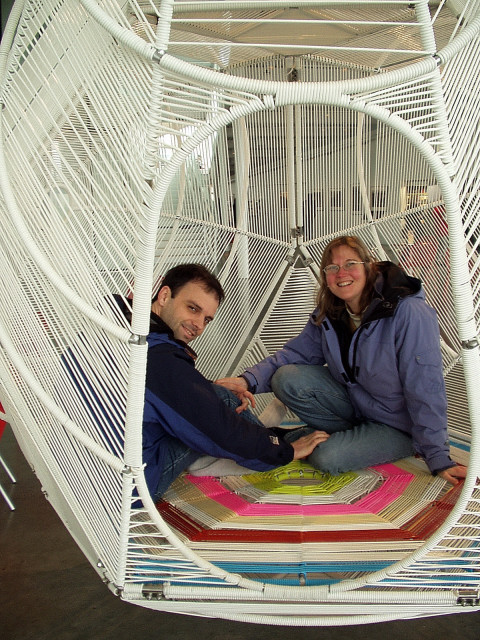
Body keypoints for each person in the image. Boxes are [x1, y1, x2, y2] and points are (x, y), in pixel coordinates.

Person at [216, 236, 466, 485]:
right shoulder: (330, 314)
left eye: (350, 264)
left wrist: (438, 457)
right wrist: (246, 381)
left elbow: (425, 387)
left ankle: (298, 438)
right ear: (326, 277)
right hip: (356, 408)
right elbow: (294, 355)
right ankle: (337, 436)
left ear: (369, 266)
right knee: (287, 377)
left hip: (397, 425)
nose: (341, 273)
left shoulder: (408, 313)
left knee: (327, 458)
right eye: (332, 267)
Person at [117, 263, 327, 502]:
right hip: (130, 486)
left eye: (206, 319)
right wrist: (286, 451)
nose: (198, 325)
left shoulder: (118, 327)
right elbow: (217, 427)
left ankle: (261, 436)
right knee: (219, 412)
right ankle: (273, 440)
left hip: (89, 467)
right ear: (164, 295)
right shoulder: (158, 359)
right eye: (192, 308)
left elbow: (162, 390)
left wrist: (202, 389)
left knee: (213, 397)